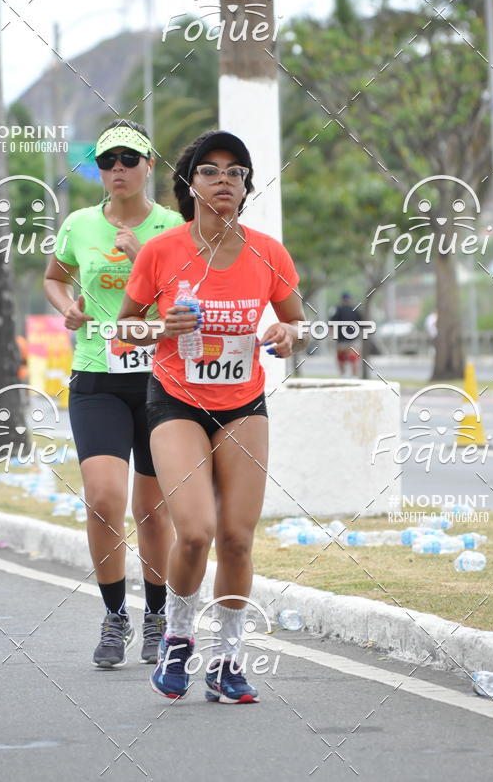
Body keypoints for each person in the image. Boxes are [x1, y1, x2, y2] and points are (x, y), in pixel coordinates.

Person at [118, 130, 306, 703]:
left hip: (244, 404)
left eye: (236, 171)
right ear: (190, 184)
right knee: (196, 532)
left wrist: (285, 333)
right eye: (211, 170)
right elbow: (123, 332)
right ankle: (177, 637)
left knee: (238, 539)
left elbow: (296, 323)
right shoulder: (162, 252)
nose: (225, 179)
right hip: (175, 400)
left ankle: (227, 661)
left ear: (246, 187)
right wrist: (159, 328)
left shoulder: (267, 252)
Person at [44, 119, 183, 668]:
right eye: (108, 162)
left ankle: (155, 615)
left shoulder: (174, 225)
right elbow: (55, 277)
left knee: (152, 509)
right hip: (97, 376)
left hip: (161, 382)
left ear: (150, 164)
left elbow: (185, 298)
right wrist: (67, 308)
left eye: (129, 159)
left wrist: (137, 255)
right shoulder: (80, 224)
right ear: (98, 171)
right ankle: (113, 615)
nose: (118, 170)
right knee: (103, 499)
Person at [330, 292, 364, 377]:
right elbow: (362, 323)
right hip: (353, 339)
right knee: (354, 359)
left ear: (342, 299)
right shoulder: (355, 309)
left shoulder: (338, 309)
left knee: (341, 359)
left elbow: (332, 324)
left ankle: (343, 375)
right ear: (350, 299)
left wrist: (332, 335)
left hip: (341, 339)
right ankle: (354, 377)